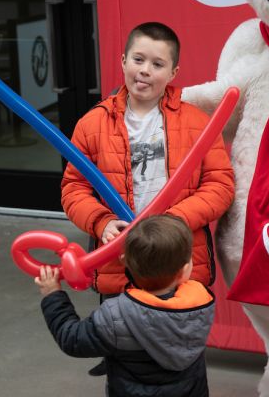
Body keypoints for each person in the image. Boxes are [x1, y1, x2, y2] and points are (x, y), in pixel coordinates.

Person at [61, 22, 233, 298]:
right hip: (119, 264)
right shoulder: (91, 124)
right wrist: (101, 222)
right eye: (138, 60)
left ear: (173, 73)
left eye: (157, 64)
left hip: (177, 262)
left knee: (175, 339)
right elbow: (73, 188)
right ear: (123, 61)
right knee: (120, 338)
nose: (145, 70)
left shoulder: (198, 123)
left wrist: (173, 221)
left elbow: (220, 185)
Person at [36, 214, 215, 397]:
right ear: (185, 269)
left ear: (124, 263)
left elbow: (72, 339)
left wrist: (53, 295)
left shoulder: (115, 315)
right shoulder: (199, 302)